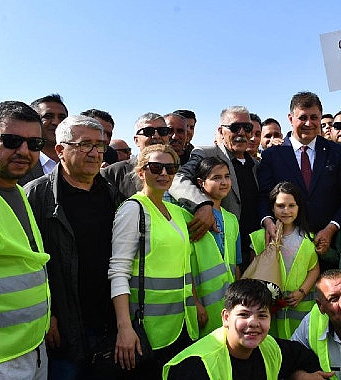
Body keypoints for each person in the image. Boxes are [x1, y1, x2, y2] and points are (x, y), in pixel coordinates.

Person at [25, 115, 120, 380]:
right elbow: (30, 261)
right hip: (63, 324)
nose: (94, 153)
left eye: (99, 145)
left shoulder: (111, 192)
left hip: (106, 321)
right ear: (60, 150)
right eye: (84, 144)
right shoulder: (36, 195)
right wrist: (48, 313)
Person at [109, 144, 201, 379]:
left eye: (170, 168)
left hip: (182, 323)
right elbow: (118, 271)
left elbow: (183, 265)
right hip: (147, 330)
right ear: (141, 172)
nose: (164, 174)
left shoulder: (176, 211)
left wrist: (196, 303)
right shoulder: (133, 209)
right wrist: (124, 327)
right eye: (156, 167)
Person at [257, 92, 341, 271]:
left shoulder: (336, 152)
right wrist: (268, 221)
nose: (309, 123)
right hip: (286, 249)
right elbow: (264, 196)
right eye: (303, 117)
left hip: (329, 248)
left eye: (314, 117)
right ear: (290, 118)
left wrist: (331, 228)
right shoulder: (272, 155)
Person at [163, 279, 326, 379]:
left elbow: (301, 357)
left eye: (262, 315)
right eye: (244, 315)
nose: (253, 323)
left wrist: (298, 376)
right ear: (226, 318)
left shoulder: (269, 347)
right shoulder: (196, 367)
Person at [170, 106, 259, 273]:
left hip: (254, 253)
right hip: (220, 253)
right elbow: (177, 179)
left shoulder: (256, 165)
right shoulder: (206, 153)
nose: (241, 132)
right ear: (221, 130)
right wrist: (202, 205)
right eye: (234, 127)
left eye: (246, 128)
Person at [0, 101, 50, 380]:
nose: (23, 151)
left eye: (34, 143)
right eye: (11, 140)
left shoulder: (17, 191)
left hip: (32, 347)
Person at [250, 181, 319, 339]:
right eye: (280, 206)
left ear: (298, 207)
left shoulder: (308, 238)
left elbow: (314, 269)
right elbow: (253, 272)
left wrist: (302, 292)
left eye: (291, 205)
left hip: (300, 312)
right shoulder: (259, 239)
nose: (286, 211)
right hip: (270, 313)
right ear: (272, 208)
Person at [192, 156, 242, 335]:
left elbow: (235, 265)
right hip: (202, 306)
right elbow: (184, 266)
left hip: (228, 305)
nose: (224, 182)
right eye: (216, 178)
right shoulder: (190, 218)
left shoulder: (232, 219)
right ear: (201, 182)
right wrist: (195, 302)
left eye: (227, 177)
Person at [102, 112, 172, 200]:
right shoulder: (112, 173)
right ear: (136, 140)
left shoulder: (179, 171)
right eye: (148, 132)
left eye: (162, 131)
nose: (156, 136)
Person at [18, 94, 68, 185]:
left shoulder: (77, 161)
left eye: (62, 118)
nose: (56, 122)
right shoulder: (18, 160)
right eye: (48, 116)